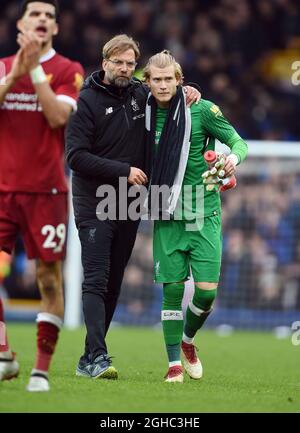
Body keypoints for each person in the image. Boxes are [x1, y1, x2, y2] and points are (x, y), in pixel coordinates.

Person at [66, 34, 200, 380]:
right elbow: (76, 157)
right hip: (94, 201)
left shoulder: (141, 94)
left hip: (129, 203)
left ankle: (88, 357)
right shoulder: (85, 102)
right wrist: (123, 170)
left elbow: (166, 84)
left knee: (112, 283)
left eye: (130, 63)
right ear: (105, 62)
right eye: (119, 62)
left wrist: (191, 91)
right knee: (95, 279)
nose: (125, 68)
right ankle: (97, 356)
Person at [143, 50, 248, 382]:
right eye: (156, 80)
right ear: (147, 82)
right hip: (168, 212)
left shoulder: (201, 109)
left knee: (205, 293)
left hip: (205, 213)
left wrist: (232, 160)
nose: (162, 86)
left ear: (180, 80)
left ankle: (188, 342)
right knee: (172, 289)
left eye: (168, 79)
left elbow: (238, 142)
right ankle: (173, 362)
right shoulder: (140, 110)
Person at [0, 0, 84, 392]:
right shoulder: (2, 67)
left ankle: (40, 371)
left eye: (50, 16)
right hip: (2, 189)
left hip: (47, 191)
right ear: (21, 24)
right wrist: (14, 71)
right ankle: (4, 354)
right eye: (36, 14)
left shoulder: (69, 70)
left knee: (48, 278)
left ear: (56, 29)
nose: (43, 20)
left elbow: (57, 117)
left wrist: (32, 69)